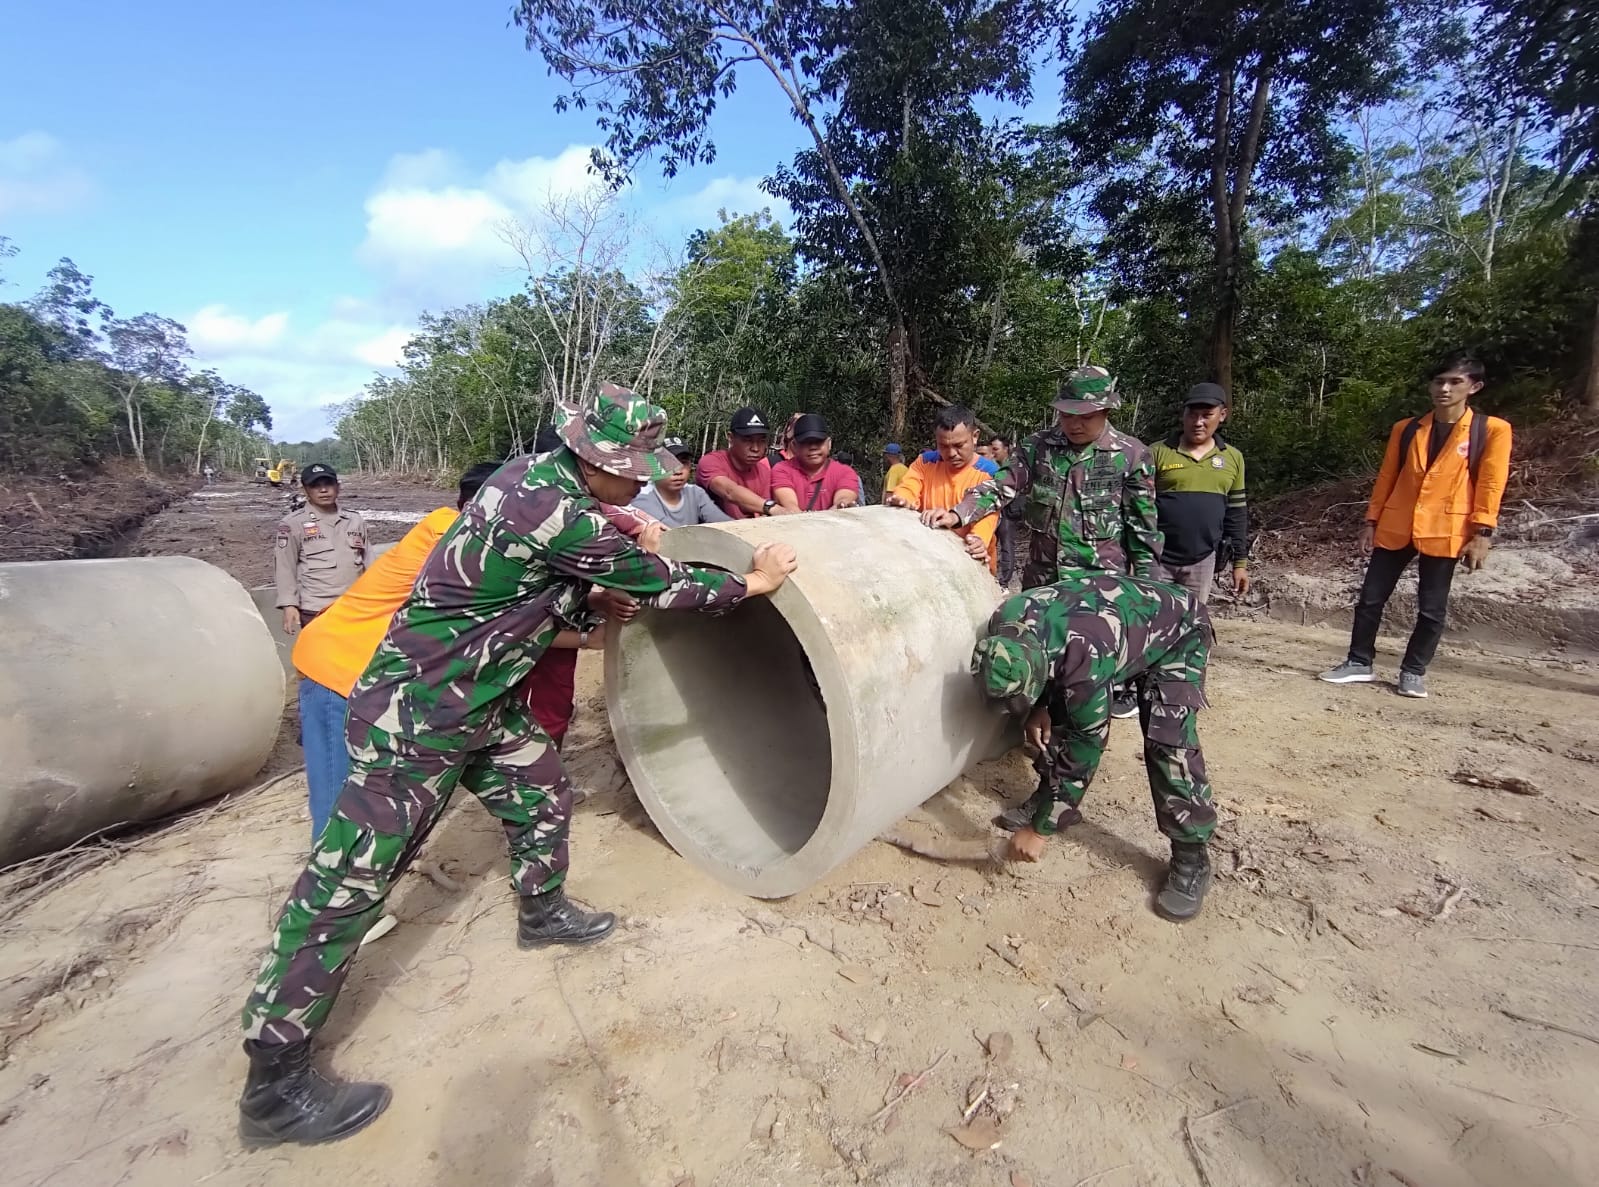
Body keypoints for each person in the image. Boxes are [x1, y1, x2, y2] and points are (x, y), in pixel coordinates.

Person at [236, 384, 799, 1148]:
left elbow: (581, 547)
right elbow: (661, 586)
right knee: (350, 880)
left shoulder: (528, 475)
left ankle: (543, 911)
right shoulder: (558, 512)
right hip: (422, 711)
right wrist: (753, 581)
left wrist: (623, 526)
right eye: (629, 472)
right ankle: (274, 1077)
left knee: (539, 791)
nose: (639, 482)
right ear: (590, 461)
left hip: (484, 696)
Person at [974, 574, 1218, 921]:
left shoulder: (1083, 658)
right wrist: (1040, 704)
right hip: (1112, 629)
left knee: (1169, 743)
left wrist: (1039, 831)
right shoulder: (1006, 619)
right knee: (1059, 711)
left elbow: (1087, 744)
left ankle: (1192, 856)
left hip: (1179, 631)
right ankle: (1051, 800)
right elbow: (1049, 663)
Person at [936, 367, 1160, 717]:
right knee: (1041, 671)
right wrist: (959, 513)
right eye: (1066, 414)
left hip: (1099, 591)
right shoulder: (1039, 447)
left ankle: (1076, 744)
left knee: (1087, 681)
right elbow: (1001, 486)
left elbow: (1143, 534)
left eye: (1084, 416)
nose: (1073, 424)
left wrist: (1145, 599)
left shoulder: (1130, 456)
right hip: (1044, 584)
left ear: (1105, 411)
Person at [1319, 354, 1512, 698]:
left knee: (1432, 607)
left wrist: (1483, 533)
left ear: (1474, 387)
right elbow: (1387, 477)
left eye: (1455, 382)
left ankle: (1413, 670)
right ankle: (1359, 661)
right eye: (1439, 381)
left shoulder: (1491, 430)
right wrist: (1371, 521)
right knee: (1370, 598)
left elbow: (1491, 484)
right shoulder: (1407, 429)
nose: (1445, 388)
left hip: (1446, 528)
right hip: (1397, 524)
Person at [1150, 383, 1250, 603]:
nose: (1198, 422)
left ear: (1222, 415)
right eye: (1192, 415)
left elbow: (1236, 513)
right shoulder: (1156, 453)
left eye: (1207, 415)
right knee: (1151, 626)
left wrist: (1240, 564)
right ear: (1182, 414)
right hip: (1156, 560)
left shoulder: (1233, 458)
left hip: (1202, 562)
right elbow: (1137, 509)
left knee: (1192, 626)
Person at [886, 406, 1001, 572]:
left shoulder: (990, 473)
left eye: (959, 445)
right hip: (929, 560)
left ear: (975, 437)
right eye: (943, 446)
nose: (951, 453)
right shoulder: (925, 462)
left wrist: (978, 539)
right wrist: (902, 499)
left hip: (971, 561)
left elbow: (989, 514)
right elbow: (909, 486)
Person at [273, 463, 368, 637]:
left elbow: (368, 562)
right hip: (316, 610)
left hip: (355, 607)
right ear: (305, 490)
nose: (323, 490)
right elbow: (285, 567)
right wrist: (289, 605)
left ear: (338, 487)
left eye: (328, 484)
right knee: (320, 662)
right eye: (315, 486)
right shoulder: (293, 524)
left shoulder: (355, 520)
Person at [697, 406, 795, 519]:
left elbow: (760, 513)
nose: (755, 448)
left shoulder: (763, 471)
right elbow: (729, 491)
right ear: (731, 438)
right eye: (747, 440)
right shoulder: (711, 462)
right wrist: (772, 507)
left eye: (761, 441)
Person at [771, 414, 862, 512]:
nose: (813, 447)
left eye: (818, 441)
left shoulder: (845, 472)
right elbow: (790, 505)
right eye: (806, 442)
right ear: (794, 446)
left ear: (829, 443)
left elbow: (844, 498)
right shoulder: (782, 470)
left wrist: (841, 506)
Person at [632, 437, 733, 526]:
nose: (678, 471)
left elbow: (724, 524)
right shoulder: (641, 496)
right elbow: (674, 532)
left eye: (683, 462)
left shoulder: (695, 493)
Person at [988, 434, 1019, 587]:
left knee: (1006, 545)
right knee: (991, 543)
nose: (993, 453)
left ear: (1006, 449)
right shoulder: (992, 466)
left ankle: (1004, 582)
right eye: (991, 449)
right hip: (994, 511)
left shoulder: (1014, 467)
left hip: (1008, 512)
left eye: (996, 449)